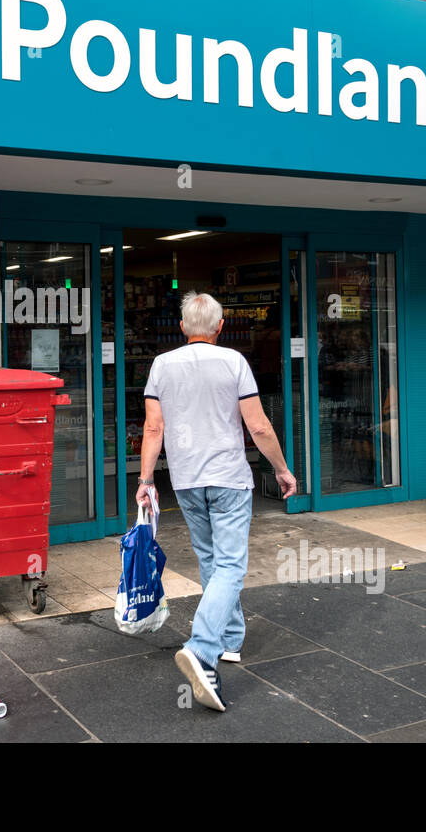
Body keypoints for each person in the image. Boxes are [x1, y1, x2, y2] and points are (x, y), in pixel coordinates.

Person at [136, 291, 296, 713]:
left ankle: (230, 640)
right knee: (230, 565)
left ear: (185, 327)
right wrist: (281, 468)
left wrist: (146, 478)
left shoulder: (161, 365)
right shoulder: (234, 362)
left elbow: (154, 429)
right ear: (221, 327)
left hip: (187, 480)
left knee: (212, 560)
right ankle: (203, 649)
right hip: (228, 478)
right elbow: (258, 426)